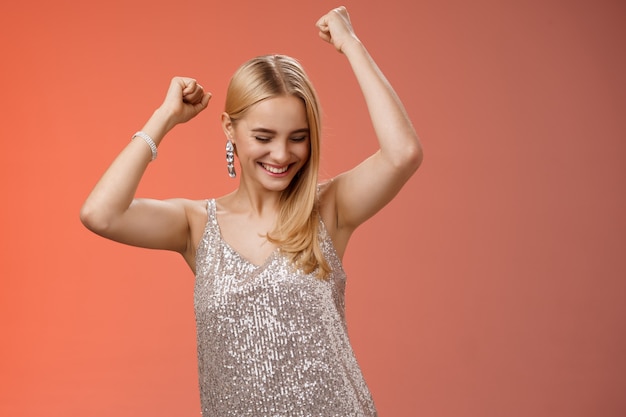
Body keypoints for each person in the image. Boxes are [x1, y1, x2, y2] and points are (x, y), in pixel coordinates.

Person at [80, 6, 422, 417]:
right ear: (230, 129)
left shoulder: (328, 209)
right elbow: (101, 213)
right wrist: (163, 118)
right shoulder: (196, 224)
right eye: (263, 136)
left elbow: (403, 153)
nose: (281, 154)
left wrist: (351, 45)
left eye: (298, 137)